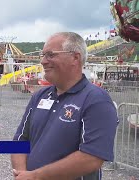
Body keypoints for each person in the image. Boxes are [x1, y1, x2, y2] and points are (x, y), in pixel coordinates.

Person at [11, 32, 118, 180]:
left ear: (75, 57)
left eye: (50, 55)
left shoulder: (97, 100)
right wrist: (22, 175)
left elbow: (92, 157)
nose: (43, 61)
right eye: (42, 55)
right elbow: (20, 140)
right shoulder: (39, 96)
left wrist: (35, 176)